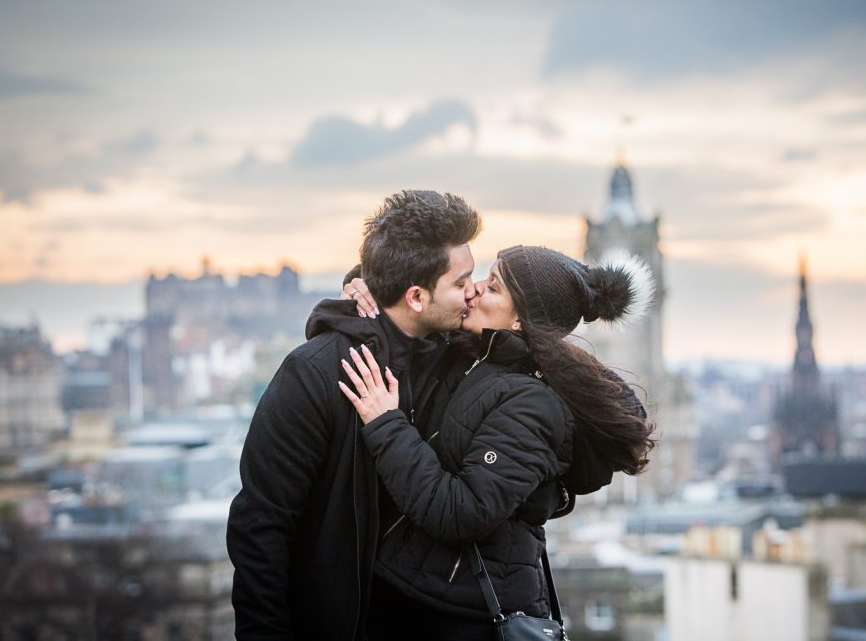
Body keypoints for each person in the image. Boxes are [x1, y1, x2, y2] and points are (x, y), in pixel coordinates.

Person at [339, 245, 656, 640]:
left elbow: (463, 511)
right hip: (427, 595)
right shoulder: (475, 357)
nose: (472, 290)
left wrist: (386, 424)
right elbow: (413, 312)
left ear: (521, 318)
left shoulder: (533, 405)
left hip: (466, 614)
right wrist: (366, 286)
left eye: (492, 287)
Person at [227, 190, 482, 639]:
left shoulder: (462, 363)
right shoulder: (314, 375)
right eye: (462, 283)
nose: (473, 292)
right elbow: (260, 528)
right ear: (417, 297)